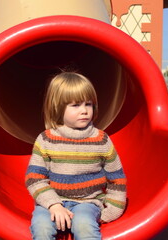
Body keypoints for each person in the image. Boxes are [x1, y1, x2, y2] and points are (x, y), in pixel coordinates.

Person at [25, 72, 127, 240]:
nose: (84, 111)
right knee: (41, 227)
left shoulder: (101, 140)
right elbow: (34, 178)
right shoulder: (46, 139)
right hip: (52, 201)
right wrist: (53, 204)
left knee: (84, 225)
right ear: (58, 107)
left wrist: (113, 208)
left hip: (88, 202)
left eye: (89, 104)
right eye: (76, 105)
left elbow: (116, 177)